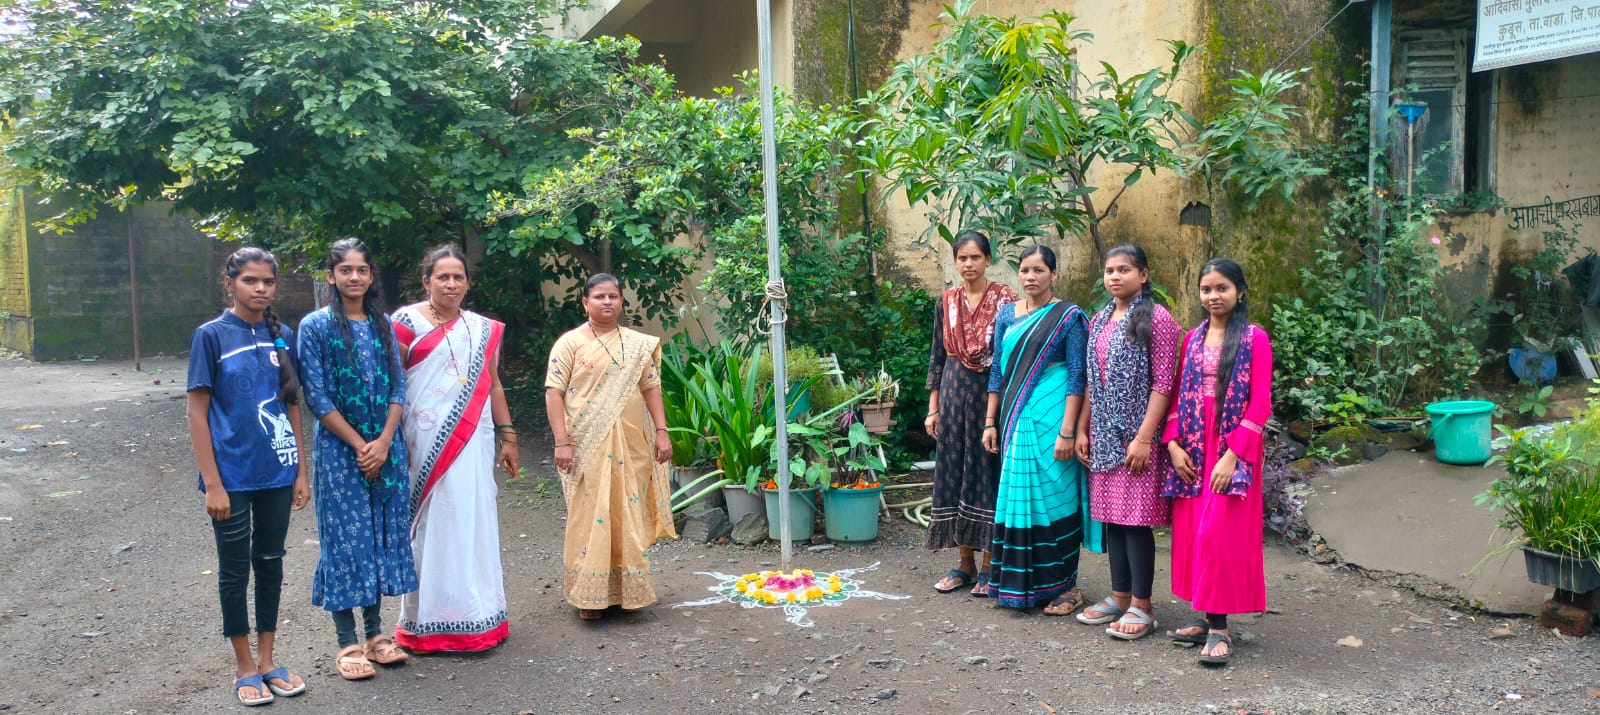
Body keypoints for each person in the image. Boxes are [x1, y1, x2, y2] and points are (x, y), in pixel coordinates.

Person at [185, 247, 310, 706]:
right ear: (230, 283)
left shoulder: (284, 336)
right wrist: (213, 483)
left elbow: (292, 403)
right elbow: (197, 414)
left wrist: (300, 470)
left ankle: (268, 660)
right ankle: (243, 666)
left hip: (277, 472)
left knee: (271, 563)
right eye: (250, 281)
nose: (260, 289)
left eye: (268, 282)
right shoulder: (211, 336)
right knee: (235, 569)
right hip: (231, 476)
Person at [297, 238, 417, 679]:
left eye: (362, 270)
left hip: (386, 450)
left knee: (380, 538)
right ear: (331, 276)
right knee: (346, 542)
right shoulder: (315, 326)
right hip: (338, 453)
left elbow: (398, 388)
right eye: (345, 270)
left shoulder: (382, 324)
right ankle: (347, 643)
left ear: (371, 276)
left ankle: (376, 635)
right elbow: (317, 394)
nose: (354, 277)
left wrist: (384, 442)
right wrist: (359, 445)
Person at [390, 244, 518, 652]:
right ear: (426, 281)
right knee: (431, 525)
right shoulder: (405, 322)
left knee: (471, 517)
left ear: (467, 283)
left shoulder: (481, 329)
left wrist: (508, 435)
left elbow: (493, 383)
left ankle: (477, 617)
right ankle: (425, 621)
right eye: (441, 276)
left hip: (474, 439)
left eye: (457, 277)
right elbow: (392, 384)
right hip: (421, 440)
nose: (450, 283)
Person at [1161, 257, 1274, 666]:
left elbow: (1261, 403)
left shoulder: (1254, 339)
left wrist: (1232, 454)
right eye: (1206, 289)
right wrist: (1173, 446)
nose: (1213, 296)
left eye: (1222, 288)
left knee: (1218, 533)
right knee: (1193, 532)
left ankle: (1220, 628)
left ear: (1239, 292)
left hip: (1231, 445)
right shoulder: (1192, 338)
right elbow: (1174, 395)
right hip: (1193, 442)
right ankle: (1207, 616)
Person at [545, 273, 677, 621]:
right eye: (599, 296)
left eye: (613, 296)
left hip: (632, 442)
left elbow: (651, 389)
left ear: (621, 302)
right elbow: (553, 393)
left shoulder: (636, 344)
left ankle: (627, 593)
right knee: (590, 515)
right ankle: (589, 596)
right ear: (585, 302)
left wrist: (662, 431)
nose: (607, 302)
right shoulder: (569, 343)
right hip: (586, 442)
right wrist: (562, 442)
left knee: (626, 511)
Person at [982, 244, 1101, 613]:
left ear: (1054, 274)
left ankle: (1067, 587)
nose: (1031, 277)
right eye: (1025, 270)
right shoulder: (1006, 316)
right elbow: (998, 372)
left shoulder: (1069, 317)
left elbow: (1079, 376)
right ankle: (1020, 584)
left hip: (1055, 422)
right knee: (1018, 498)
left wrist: (1069, 430)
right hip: (1015, 420)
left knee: (1057, 499)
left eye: (1039, 270)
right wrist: (990, 421)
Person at [1073, 245, 1182, 640]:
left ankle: (1143, 605)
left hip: (1138, 439)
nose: (1115, 277)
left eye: (1124, 270)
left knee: (1135, 522)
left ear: (1144, 275)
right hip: (1102, 435)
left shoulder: (1157, 319)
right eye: (1109, 270)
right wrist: (1082, 428)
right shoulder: (1100, 319)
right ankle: (1119, 596)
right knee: (1113, 520)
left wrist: (1144, 438)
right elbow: (1090, 379)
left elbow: (1163, 384)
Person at [925, 231, 1017, 596]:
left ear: (988, 260)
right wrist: (932, 409)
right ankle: (963, 562)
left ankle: (989, 564)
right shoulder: (945, 301)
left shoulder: (1006, 302)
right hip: (951, 394)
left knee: (986, 474)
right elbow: (936, 357)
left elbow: (1007, 357)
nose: (968, 264)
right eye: (962, 258)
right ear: (955, 261)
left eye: (975, 257)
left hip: (988, 397)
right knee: (953, 473)